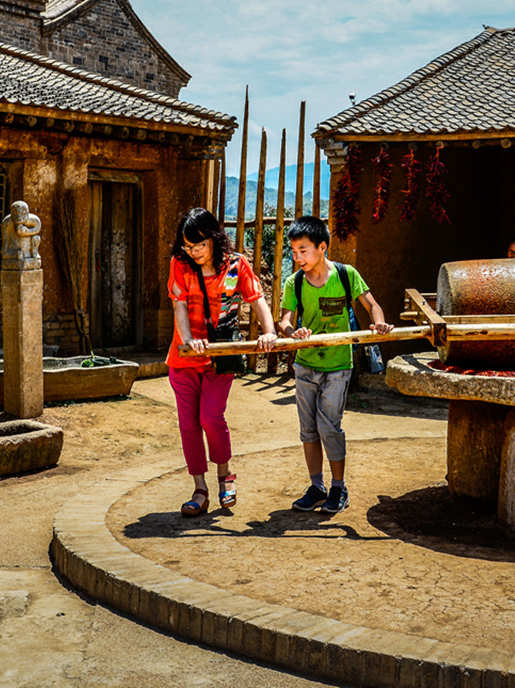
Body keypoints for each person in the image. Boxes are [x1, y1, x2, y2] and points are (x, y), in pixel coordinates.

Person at [279, 216, 393, 514]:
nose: (298, 257)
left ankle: (338, 488)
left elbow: (372, 305)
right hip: (305, 365)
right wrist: (295, 334)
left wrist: (378, 323)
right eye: (294, 252)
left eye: (303, 250)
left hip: (339, 365)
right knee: (308, 430)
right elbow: (284, 321)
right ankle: (317, 487)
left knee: (329, 427)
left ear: (322, 247)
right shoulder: (295, 283)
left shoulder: (346, 275)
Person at [167, 208, 277, 517]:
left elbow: (257, 299)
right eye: (188, 247)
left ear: (213, 238)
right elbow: (180, 308)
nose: (194, 253)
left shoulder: (236, 265)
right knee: (189, 425)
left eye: (199, 245)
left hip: (222, 354)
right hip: (185, 356)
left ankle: (225, 477)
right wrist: (188, 340)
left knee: (211, 417)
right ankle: (199, 489)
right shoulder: (179, 265)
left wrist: (268, 333)